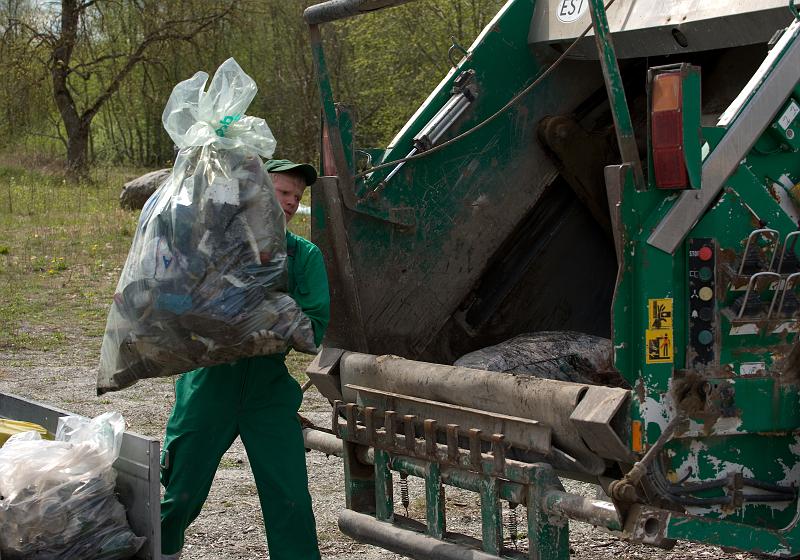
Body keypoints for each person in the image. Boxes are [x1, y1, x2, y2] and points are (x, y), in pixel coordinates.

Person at [159, 159, 329, 560]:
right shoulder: (214, 244)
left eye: (296, 197)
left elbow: (312, 328)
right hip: (208, 386)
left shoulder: (302, 256)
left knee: (289, 497)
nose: (289, 202)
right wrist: (269, 313)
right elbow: (178, 305)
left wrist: (244, 312)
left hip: (268, 393)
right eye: (282, 192)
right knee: (179, 493)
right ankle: (158, 550)